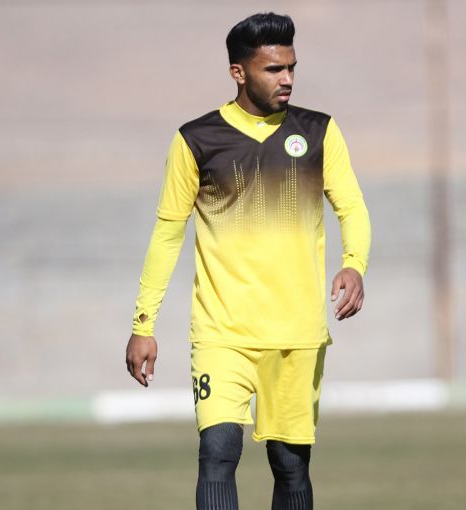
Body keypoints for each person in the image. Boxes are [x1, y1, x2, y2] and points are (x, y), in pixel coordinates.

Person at [125, 12, 371, 510]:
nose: (287, 78)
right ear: (238, 72)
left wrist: (354, 264)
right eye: (274, 69)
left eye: (291, 67)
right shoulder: (196, 140)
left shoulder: (319, 132)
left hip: (297, 332)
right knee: (217, 452)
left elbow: (352, 208)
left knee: (290, 464)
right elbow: (167, 234)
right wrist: (143, 324)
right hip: (222, 331)